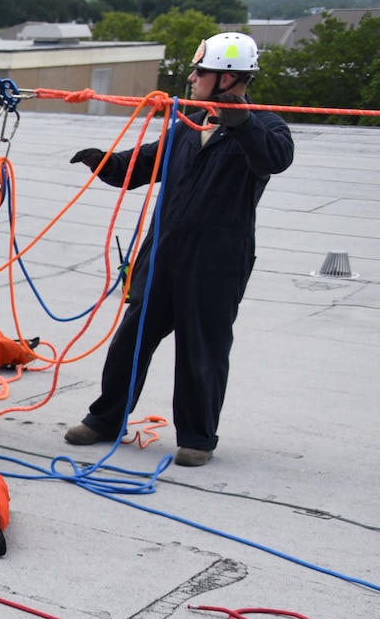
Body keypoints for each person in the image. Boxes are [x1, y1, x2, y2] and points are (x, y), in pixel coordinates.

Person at [63, 32, 293, 467]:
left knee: (201, 351)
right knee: (129, 342)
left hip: (216, 264)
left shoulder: (265, 127)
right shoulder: (187, 127)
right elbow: (137, 168)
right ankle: (105, 420)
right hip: (164, 255)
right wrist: (103, 160)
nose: (190, 77)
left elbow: (275, 157)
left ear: (227, 78)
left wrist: (240, 120)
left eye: (200, 71)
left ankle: (197, 438)